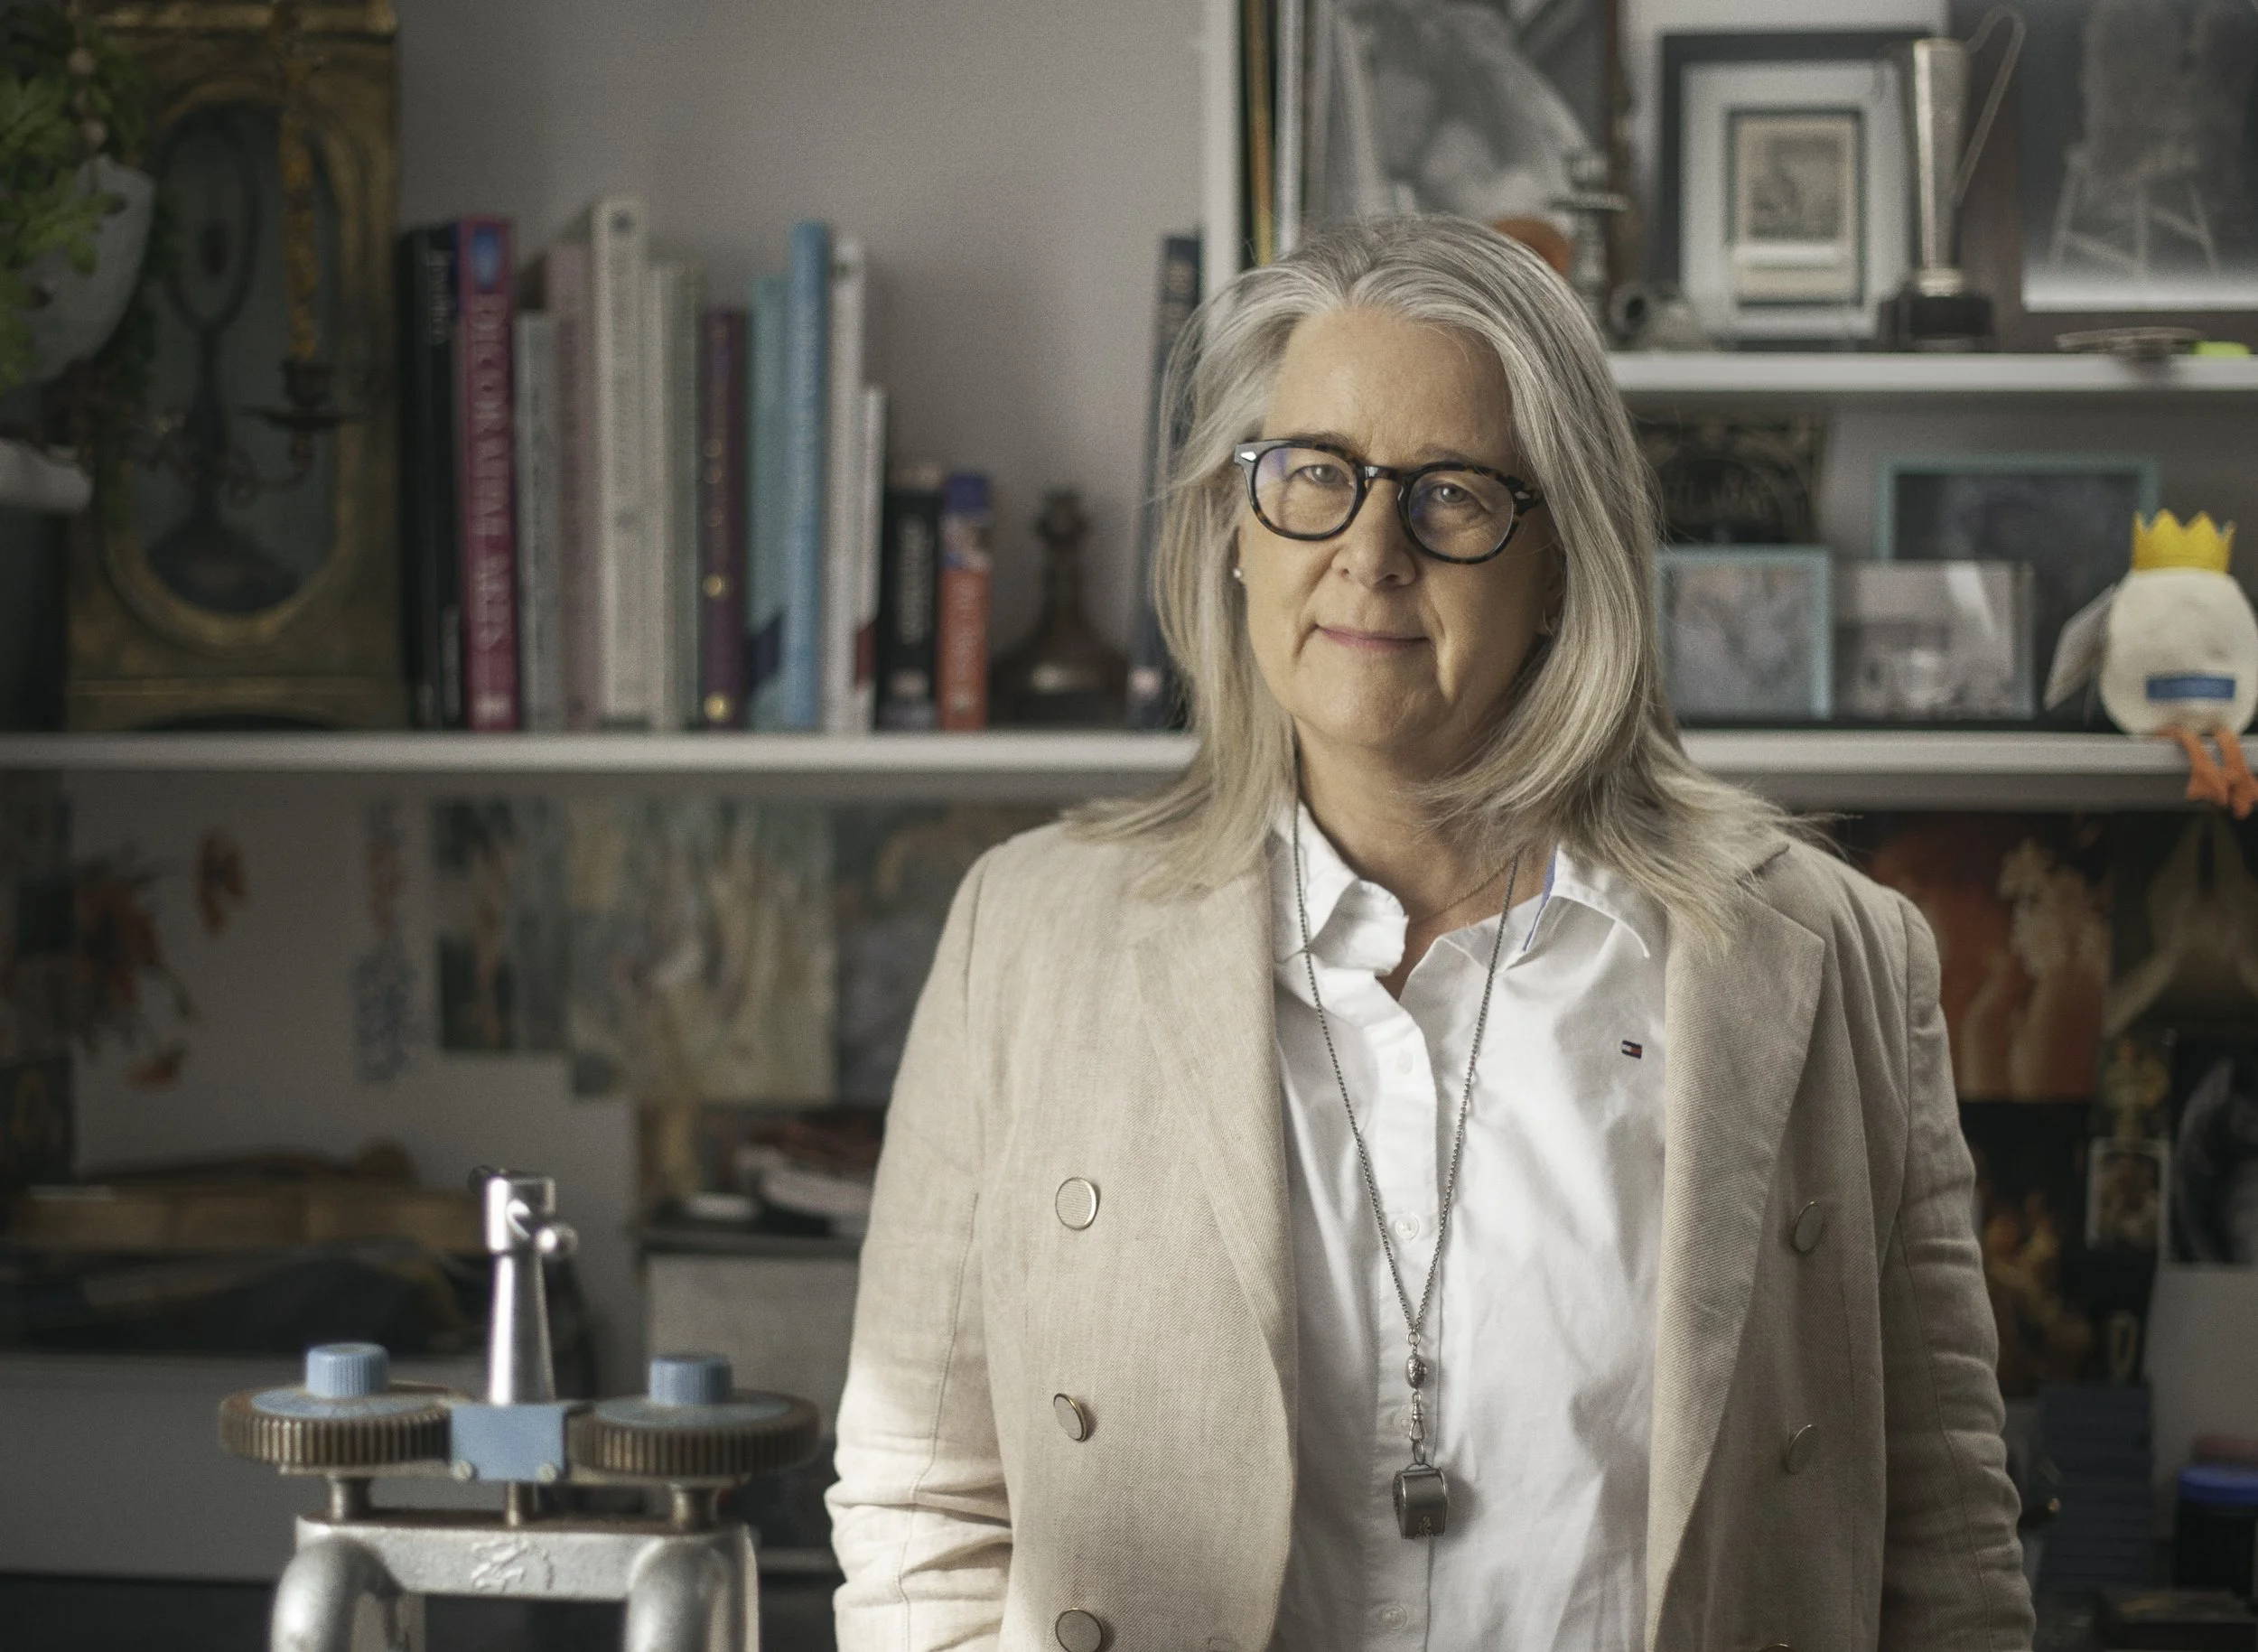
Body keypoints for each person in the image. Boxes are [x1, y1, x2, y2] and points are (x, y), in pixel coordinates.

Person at [827, 215, 2031, 1652]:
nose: (1368, 551)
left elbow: (1948, 1541)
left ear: (1564, 564)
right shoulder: (1022, 940)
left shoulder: (1835, 957)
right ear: (1232, 529)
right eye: (1314, 478)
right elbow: (927, 1510)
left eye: (1451, 495)